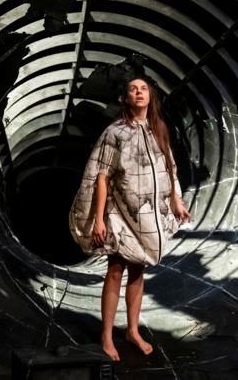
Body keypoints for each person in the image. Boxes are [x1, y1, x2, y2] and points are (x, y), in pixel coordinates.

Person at [69, 77, 192, 361]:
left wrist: (177, 202)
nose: (138, 93)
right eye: (133, 90)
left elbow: (169, 169)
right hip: (120, 211)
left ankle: (132, 331)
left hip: (147, 213)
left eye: (144, 89)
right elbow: (101, 176)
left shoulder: (158, 129)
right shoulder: (116, 132)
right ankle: (107, 335)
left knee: (138, 270)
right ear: (125, 99)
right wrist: (98, 219)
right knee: (116, 269)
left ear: (151, 97)